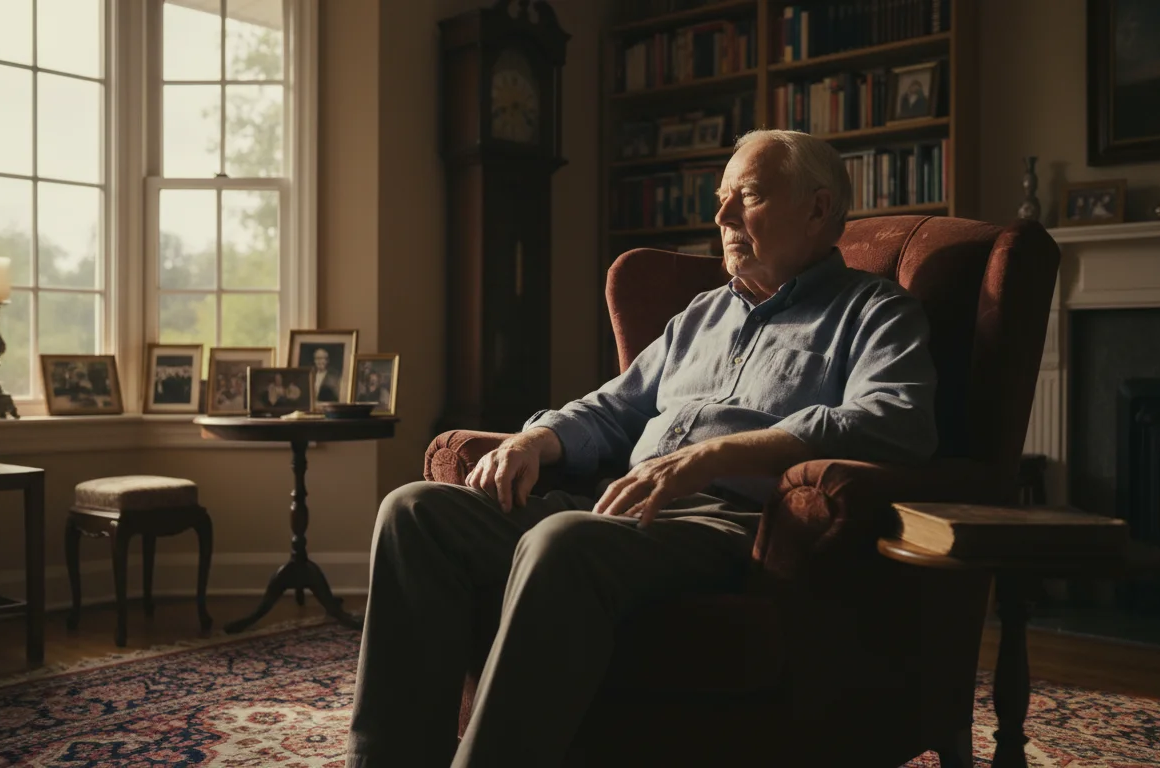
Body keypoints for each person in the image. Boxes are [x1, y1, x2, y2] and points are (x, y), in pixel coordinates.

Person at [346, 129, 940, 767]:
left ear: (819, 208)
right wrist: (536, 440)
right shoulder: (701, 316)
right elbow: (615, 406)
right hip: (621, 507)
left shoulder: (874, 312)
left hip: (734, 524)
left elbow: (895, 419)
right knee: (413, 512)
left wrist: (717, 456)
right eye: (720, 199)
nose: (722, 216)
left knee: (563, 540)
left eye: (749, 196)